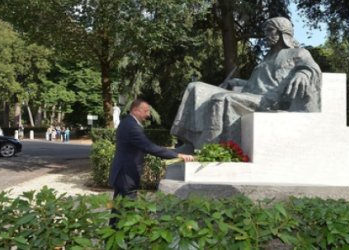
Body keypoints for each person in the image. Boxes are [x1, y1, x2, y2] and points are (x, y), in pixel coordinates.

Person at [171, 17, 322, 152]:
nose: (266, 35)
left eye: (270, 30)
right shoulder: (267, 57)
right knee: (195, 87)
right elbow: (257, 83)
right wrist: (237, 82)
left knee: (221, 99)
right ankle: (189, 142)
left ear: (283, 32)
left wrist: (303, 74)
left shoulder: (298, 52)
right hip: (249, 95)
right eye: (265, 31)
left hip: (269, 100)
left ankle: (209, 148)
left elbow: (312, 68)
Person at [108, 99, 194, 227]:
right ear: (135, 110)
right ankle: (124, 242)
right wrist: (177, 155)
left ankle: (111, 241)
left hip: (122, 173)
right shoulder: (132, 127)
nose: (148, 114)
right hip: (126, 176)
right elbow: (149, 147)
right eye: (145, 111)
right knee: (127, 213)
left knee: (118, 211)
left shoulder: (127, 123)